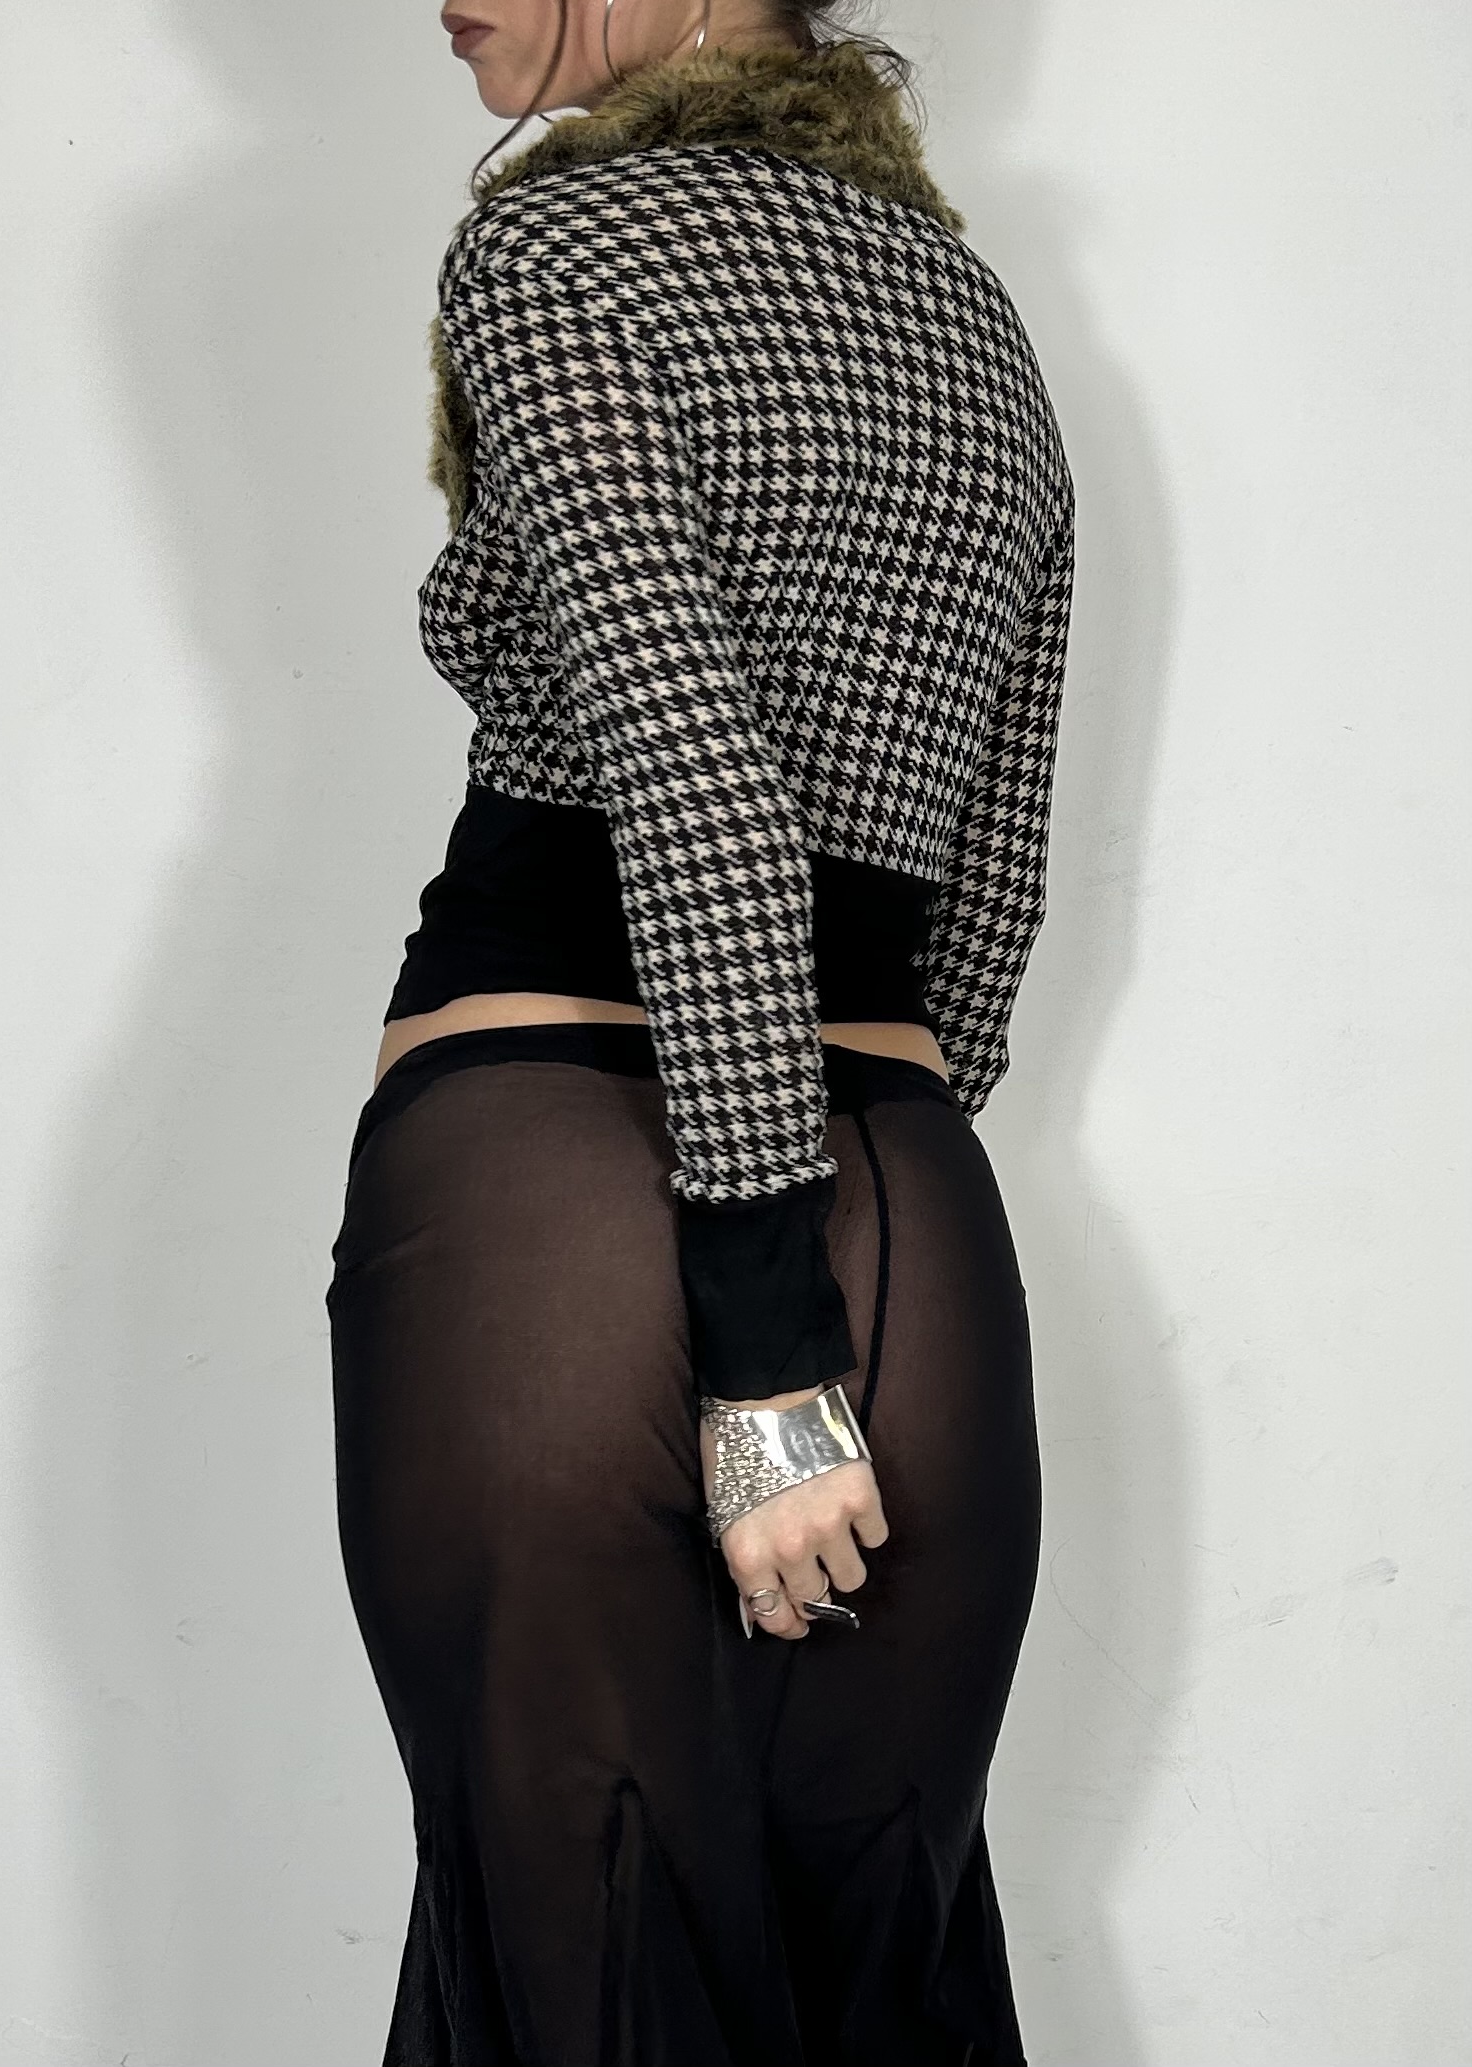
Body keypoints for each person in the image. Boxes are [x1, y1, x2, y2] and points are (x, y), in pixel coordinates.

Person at [326, 1, 1074, 2060]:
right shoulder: (970, 312)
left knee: (580, 1965)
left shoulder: (557, 247)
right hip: (897, 1193)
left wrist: (765, 1346)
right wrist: (841, 1231)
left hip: (549, 1191)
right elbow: (995, 859)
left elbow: (692, 774)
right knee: (876, 1977)